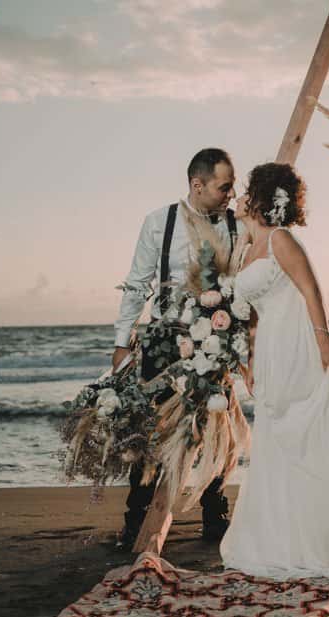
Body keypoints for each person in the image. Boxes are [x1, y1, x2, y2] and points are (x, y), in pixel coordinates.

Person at [219, 162, 329, 581]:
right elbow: (252, 315)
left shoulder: (280, 240)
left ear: (258, 197)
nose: (237, 197)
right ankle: (281, 539)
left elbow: (311, 290)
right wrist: (250, 363)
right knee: (276, 441)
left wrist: (324, 341)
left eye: (244, 191)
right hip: (273, 348)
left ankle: (326, 541)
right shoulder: (245, 250)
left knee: (312, 441)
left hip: (301, 345)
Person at [112, 148, 240, 550]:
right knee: (150, 434)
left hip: (216, 339)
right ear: (196, 184)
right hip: (164, 343)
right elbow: (137, 284)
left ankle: (215, 519)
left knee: (219, 429)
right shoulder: (159, 222)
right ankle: (137, 522)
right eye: (224, 186)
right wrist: (121, 342)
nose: (230, 195)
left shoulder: (236, 226)